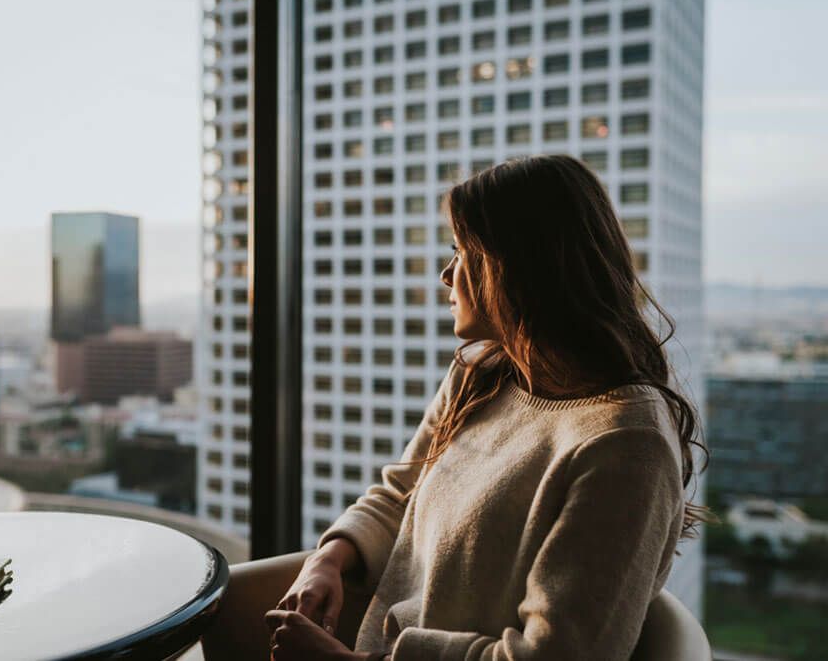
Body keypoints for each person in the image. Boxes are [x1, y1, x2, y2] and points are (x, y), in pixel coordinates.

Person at [264, 155, 711, 661]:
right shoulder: (482, 375)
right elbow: (401, 492)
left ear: (520, 264)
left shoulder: (626, 446)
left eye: (462, 251)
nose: (445, 273)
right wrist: (330, 557)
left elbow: (552, 655)